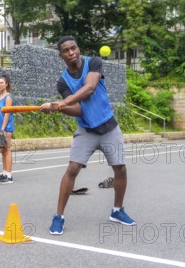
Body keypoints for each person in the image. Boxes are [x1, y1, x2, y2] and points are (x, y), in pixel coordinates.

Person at [40, 36, 135, 235]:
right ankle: (59, 217)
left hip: (109, 127)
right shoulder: (62, 82)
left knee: (121, 169)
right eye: (66, 50)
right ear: (61, 55)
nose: (71, 52)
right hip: (86, 130)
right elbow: (77, 110)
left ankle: (117, 211)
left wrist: (63, 103)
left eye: (73, 48)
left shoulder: (93, 63)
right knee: (72, 169)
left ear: (78, 48)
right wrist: (58, 108)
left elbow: (90, 88)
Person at [0, 74, 14, 184]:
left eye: (1, 83)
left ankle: (9, 176)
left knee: (7, 150)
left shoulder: (8, 97)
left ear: (6, 84)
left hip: (6, 128)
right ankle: (4, 173)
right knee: (2, 151)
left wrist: (2, 129)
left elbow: (7, 114)